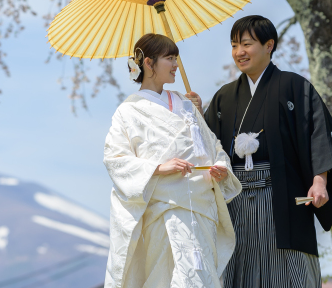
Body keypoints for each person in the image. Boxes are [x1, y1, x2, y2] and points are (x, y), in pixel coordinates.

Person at [202, 15, 332, 288]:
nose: (239, 52)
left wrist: (320, 180)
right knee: (239, 267)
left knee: (289, 273)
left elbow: (318, 134)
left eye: (246, 44)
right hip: (236, 200)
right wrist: (194, 114)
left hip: (282, 198)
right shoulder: (224, 97)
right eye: (234, 45)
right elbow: (205, 144)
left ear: (269, 45)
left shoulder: (295, 87)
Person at [104, 33, 242, 288]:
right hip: (164, 207)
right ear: (148, 63)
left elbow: (213, 147)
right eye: (170, 58)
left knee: (200, 276)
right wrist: (157, 167)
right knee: (169, 277)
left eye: (176, 58)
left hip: (200, 206)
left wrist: (220, 167)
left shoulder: (186, 104)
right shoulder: (128, 111)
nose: (176, 65)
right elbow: (115, 159)